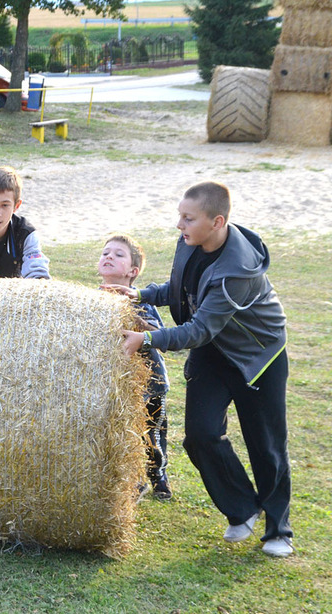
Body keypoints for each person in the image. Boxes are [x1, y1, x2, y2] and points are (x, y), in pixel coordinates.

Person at [104, 181, 293, 558]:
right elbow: (182, 287)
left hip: (258, 359)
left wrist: (148, 340)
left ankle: (279, 531)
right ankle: (242, 508)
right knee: (200, 435)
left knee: (266, 445)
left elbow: (199, 328)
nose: (180, 224)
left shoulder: (235, 271)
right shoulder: (192, 241)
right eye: (180, 216)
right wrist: (141, 294)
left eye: (188, 218)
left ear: (217, 221)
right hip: (214, 351)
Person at [98, 234, 171, 500]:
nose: (109, 257)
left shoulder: (142, 300)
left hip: (150, 384)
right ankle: (134, 480)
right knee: (123, 434)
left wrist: (133, 317)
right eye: (105, 253)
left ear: (133, 271)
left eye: (118, 254)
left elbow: (159, 335)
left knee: (151, 435)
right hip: (117, 384)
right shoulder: (92, 300)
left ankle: (159, 476)